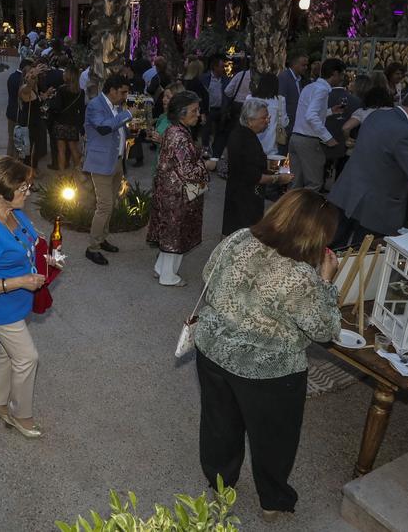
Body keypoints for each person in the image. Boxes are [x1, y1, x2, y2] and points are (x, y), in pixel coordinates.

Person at [194, 189, 340, 519]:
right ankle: (272, 501)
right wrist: (326, 282)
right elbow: (325, 331)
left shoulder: (239, 238)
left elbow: (208, 276)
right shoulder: (300, 276)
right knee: (274, 438)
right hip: (270, 372)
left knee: (219, 424)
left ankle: (221, 486)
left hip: (213, 351)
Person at [0, 156, 48, 439]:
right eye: (23, 187)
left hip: (17, 300)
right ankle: (19, 414)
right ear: (1, 193)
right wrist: (22, 281)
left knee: (8, 351)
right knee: (27, 357)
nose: (28, 191)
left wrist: (46, 255)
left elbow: (28, 240)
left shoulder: (13, 211)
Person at [328, 89, 408, 248]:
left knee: (333, 243)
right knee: (361, 254)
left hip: (348, 192)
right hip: (376, 204)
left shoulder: (377, 115)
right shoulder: (406, 131)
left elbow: (381, 153)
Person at [147, 91, 214, 286]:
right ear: (182, 113)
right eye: (194, 110)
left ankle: (161, 269)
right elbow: (187, 170)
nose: (198, 113)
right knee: (175, 234)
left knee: (171, 231)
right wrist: (207, 166)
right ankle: (168, 276)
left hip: (171, 190)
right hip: (178, 193)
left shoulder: (175, 130)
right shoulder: (179, 134)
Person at [217, 98, 294, 235]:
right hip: (244, 200)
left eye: (268, 117)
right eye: (264, 117)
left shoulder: (243, 134)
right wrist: (279, 178)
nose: (268, 120)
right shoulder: (245, 140)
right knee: (242, 237)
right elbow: (255, 177)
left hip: (240, 196)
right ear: (250, 120)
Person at [82, 75, 134, 266]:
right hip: (101, 163)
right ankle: (92, 248)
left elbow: (118, 131)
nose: (124, 96)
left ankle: (102, 239)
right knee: (104, 206)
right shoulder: (96, 105)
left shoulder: (117, 106)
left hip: (117, 161)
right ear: (112, 90)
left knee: (110, 204)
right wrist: (127, 115)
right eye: (123, 92)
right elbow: (104, 128)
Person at [289, 58, 346, 191]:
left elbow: (307, 113)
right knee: (314, 183)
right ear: (335, 74)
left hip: (295, 138)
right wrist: (328, 138)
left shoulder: (309, 87)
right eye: (341, 75)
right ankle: (308, 211)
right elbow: (311, 116)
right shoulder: (322, 90)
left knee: (295, 183)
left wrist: (331, 111)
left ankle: (291, 210)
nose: (342, 78)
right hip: (308, 140)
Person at [246, 72, 289, 158]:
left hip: (250, 144)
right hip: (270, 147)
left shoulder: (249, 99)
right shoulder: (280, 100)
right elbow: (284, 123)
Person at [277, 53, 309, 147]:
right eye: (303, 65)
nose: (306, 67)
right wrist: (284, 123)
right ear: (295, 64)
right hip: (286, 126)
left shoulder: (299, 79)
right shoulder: (284, 77)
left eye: (307, 65)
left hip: (294, 125)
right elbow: (280, 101)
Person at [5, 60, 31, 158]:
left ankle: (8, 160)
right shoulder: (22, 79)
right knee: (18, 141)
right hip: (19, 114)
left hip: (10, 111)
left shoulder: (11, 76)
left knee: (11, 139)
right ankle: (15, 163)